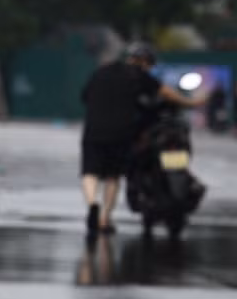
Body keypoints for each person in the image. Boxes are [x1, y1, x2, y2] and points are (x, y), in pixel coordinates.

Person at [79, 42, 205, 236]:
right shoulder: (139, 76)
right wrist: (193, 102)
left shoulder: (101, 73)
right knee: (113, 176)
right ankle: (104, 219)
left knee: (90, 172)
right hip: (121, 133)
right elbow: (167, 93)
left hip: (94, 131)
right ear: (145, 62)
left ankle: (92, 204)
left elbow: (84, 97)